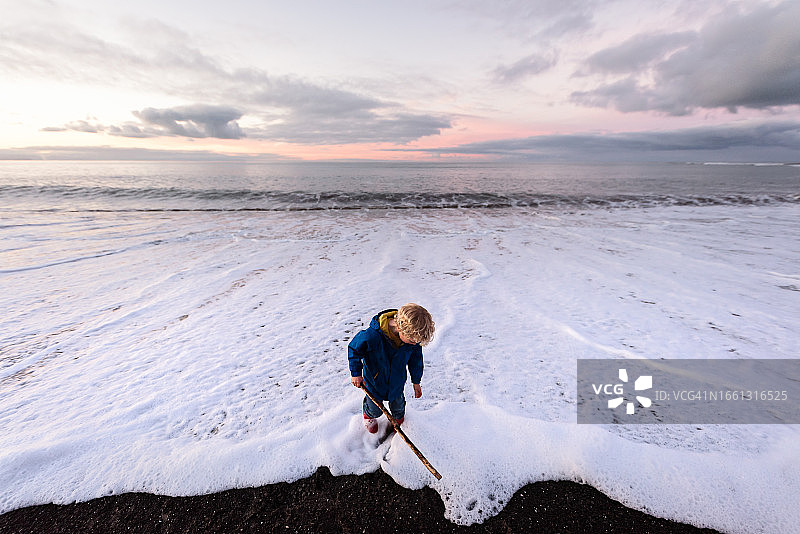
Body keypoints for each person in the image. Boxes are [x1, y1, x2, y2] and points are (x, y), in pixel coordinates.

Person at [348, 303, 435, 433]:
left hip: (397, 382)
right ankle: (368, 414)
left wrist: (416, 381)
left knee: (399, 408)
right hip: (374, 382)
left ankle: (397, 422)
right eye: (412, 341)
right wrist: (356, 373)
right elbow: (354, 349)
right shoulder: (372, 336)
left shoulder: (412, 340)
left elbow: (416, 360)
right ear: (401, 328)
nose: (415, 344)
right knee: (375, 409)